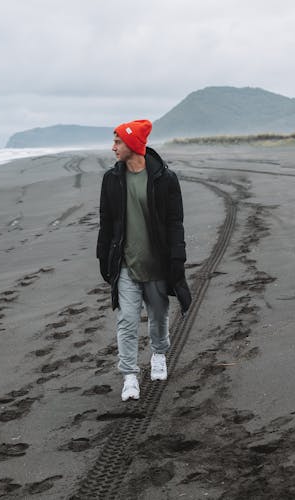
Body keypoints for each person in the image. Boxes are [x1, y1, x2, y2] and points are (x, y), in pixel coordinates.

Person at [97, 119, 191, 401]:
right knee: (126, 319)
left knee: (159, 315)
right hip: (125, 261)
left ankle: (159, 354)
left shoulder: (165, 179)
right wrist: (103, 257)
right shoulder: (112, 179)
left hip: (157, 262)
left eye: (118, 142)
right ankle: (129, 376)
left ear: (133, 145)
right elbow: (106, 222)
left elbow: (175, 223)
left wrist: (177, 257)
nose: (113, 147)